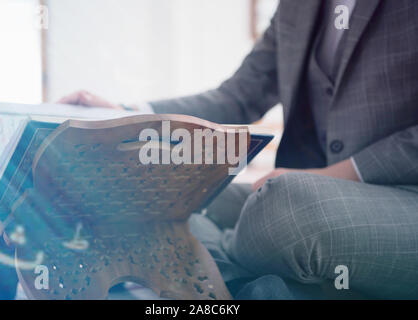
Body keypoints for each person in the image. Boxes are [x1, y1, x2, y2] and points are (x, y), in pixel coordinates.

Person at [60, 0, 418, 299]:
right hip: (303, 193)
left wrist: (330, 176)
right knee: (174, 195)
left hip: (400, 195)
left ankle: (222, 266)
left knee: (284, 207)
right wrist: (128, 116)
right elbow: (238, 96)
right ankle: (251, 286)